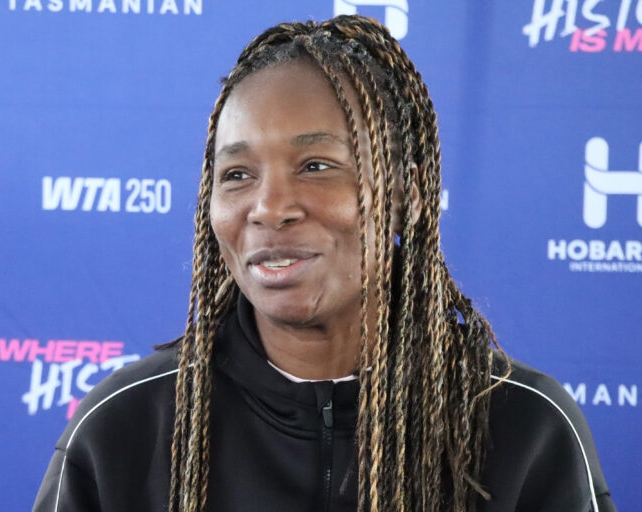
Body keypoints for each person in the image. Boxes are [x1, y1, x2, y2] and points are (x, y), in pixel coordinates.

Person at [33, 15, 615, 512]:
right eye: (237, 175)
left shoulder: (523, 425)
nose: (270, 208)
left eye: (316, 165)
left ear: (408, 196)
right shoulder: (127, 425)